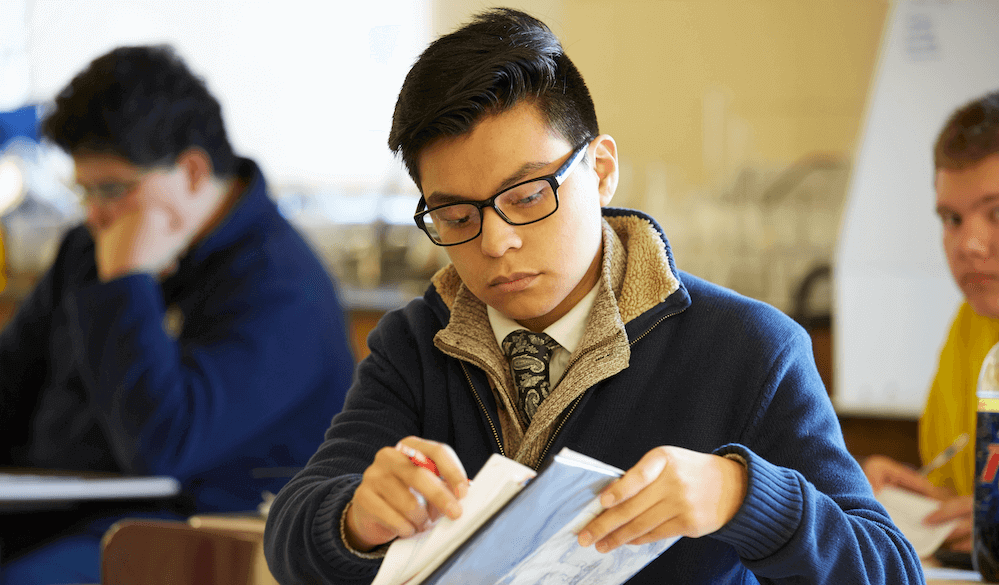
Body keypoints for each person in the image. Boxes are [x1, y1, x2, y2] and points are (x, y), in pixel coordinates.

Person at [264, 8, 922, 584]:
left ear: (601, 170)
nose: (496, 242)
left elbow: (889, 568)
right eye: (457, 216)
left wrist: (742, 496)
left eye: (528, 197)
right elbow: (291, 530)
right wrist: (355, 518)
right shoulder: (416, 343)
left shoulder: (749, 349)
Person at [0, 45, 355, 584]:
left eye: (112, 189)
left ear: (191, 171)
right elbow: (10, 383)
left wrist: (126, 283)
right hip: (55, 507)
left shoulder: (282, 286)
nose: (95, 214)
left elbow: (161, 448)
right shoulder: (87, 246)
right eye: (84, 191)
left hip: (198, 532)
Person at [863, 90, 999, 556]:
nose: (969, 245)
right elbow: (969, 493)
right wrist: (921, 501)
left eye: (996, 213)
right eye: (952, 218)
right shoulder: (971, 325)